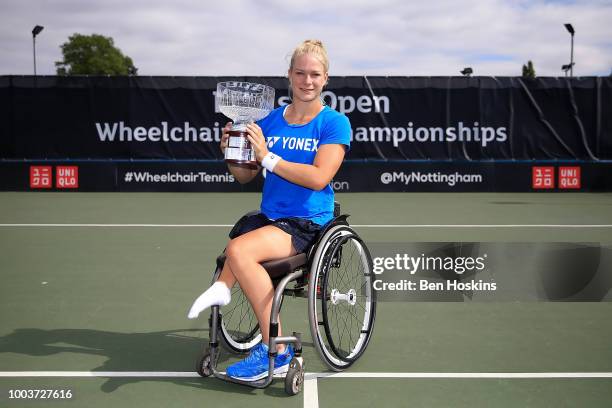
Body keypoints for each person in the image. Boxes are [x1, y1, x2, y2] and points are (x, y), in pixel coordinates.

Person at [187, 39, 351, 381]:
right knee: (237, 248)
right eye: (300, 73)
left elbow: (320, 177)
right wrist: (232, 154)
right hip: (270, 218)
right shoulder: (270, 120)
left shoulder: (334, 123)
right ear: (289, 75)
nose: (307, 81)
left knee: (238, 250)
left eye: (315, 75)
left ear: (326, 79)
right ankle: (228, 293)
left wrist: (268, 158)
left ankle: (276, 347)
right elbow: (246, 176)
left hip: (308, 223)